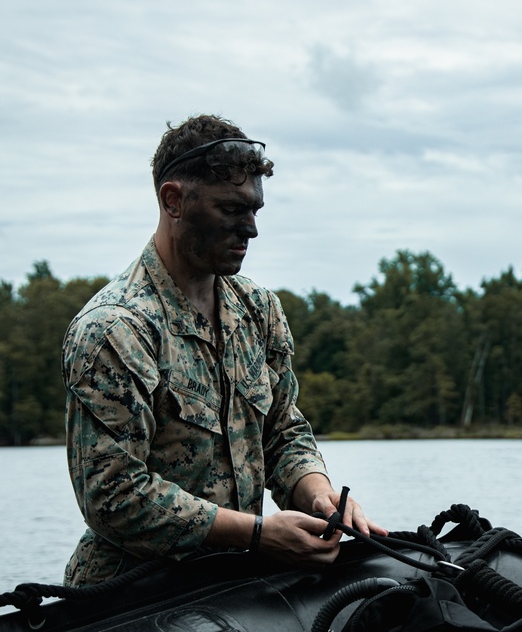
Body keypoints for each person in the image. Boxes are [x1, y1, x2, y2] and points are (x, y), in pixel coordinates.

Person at [61, 114, 385, 586]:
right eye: (232, 210)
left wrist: (318, 495)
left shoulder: (259, 309)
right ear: (174, 200)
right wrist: (257, 534)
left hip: (234, 587)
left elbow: (282, 433)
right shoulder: (114, 328)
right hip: (129, 596)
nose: (251, 229)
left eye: (255, 209)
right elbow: (113, 497)